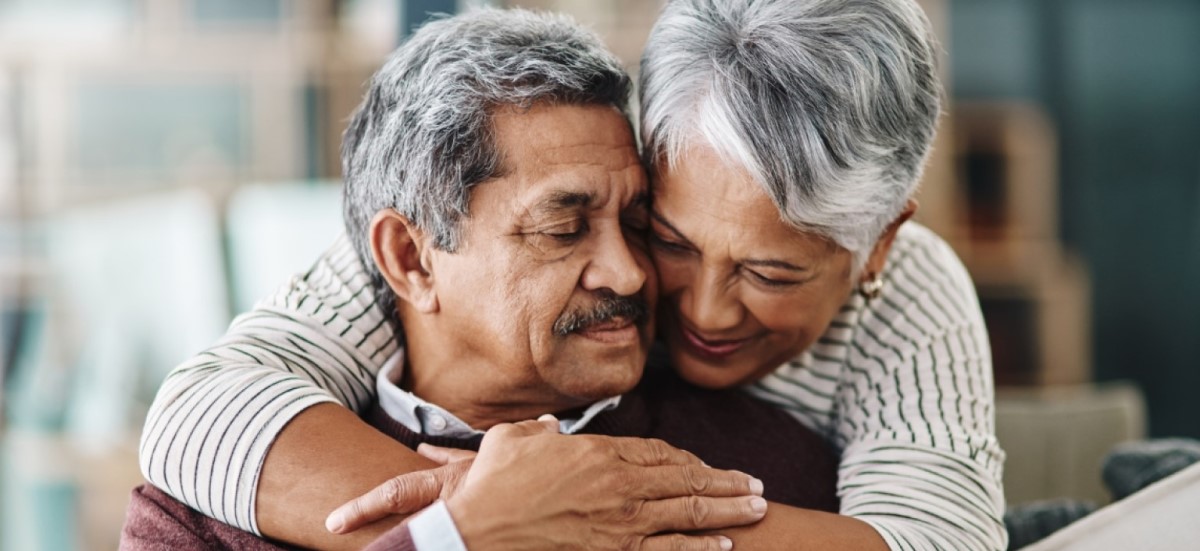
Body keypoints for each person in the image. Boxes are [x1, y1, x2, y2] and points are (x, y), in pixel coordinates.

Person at [138, 0, 1007, 549]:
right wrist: (485, 514)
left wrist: (580, 517)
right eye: (665, 231)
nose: (681, 298)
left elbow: (939, 539)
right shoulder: (397, 264)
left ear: (877, 249)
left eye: (772, 271)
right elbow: (201, 408)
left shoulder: (813, 432)